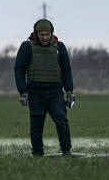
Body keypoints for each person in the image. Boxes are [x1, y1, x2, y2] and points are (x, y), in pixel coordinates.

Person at [13, 19, 74, 157]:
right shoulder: (27, 47)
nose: (45, 37)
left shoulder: (60, 47)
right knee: (36, 125)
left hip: (55, 93)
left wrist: (69, 91)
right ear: (36, 34)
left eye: (47, 34)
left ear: (52, 33)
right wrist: (23, 92)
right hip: (35, 93)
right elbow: (19, 70)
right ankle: (37, 153)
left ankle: (66, 150)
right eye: (42, 34)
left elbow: (66, 70)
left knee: (61, 121)